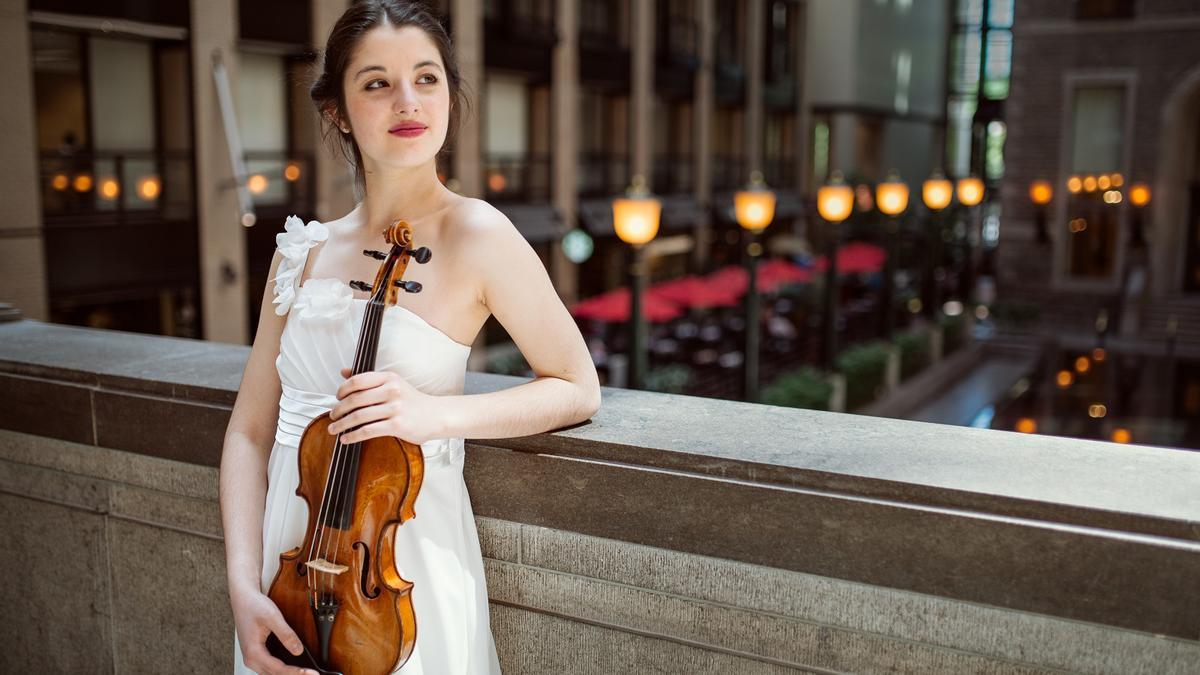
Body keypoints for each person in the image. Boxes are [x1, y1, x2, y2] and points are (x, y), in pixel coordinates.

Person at [219, 2, 602, 673]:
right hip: (288, 562)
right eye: (376, 82)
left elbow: (577, 386)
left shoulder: (478, 234)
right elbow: (250, 431)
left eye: (427, 78)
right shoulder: (301, 252)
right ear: (337, 109)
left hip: (402, 570)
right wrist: (244, 586)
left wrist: (434, 414)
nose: (408, 101)